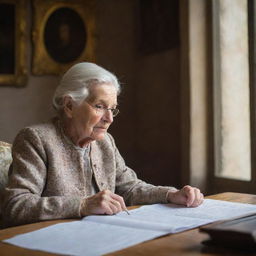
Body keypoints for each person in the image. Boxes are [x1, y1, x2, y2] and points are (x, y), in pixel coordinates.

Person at [1, 62, 204, 227]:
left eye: (112, 109)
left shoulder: (105, 142)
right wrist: (82, 205)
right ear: (69, 106)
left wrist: (171, 194)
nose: (109, 119)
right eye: (99, 106)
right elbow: (15, 205)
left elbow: (130, 188)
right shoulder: (36, 139)